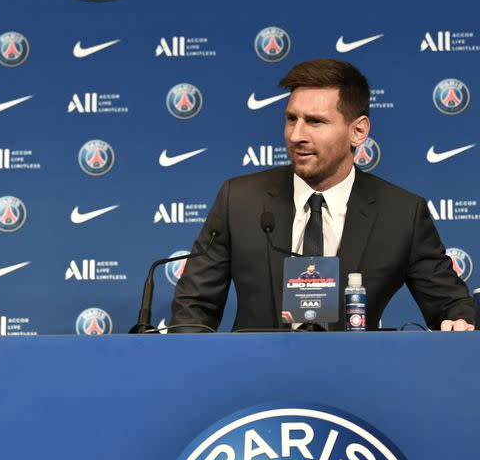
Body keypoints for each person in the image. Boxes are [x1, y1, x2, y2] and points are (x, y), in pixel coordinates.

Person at [172, 59, 475, 332]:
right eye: (292, 119)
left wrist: (460, 321)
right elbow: (194, 307)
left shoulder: (402, 214)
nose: (296, 136)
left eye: (315, 122)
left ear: (358, 131)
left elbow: (451, 304)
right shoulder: (239, 200)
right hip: (257, 382)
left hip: (354, 384)